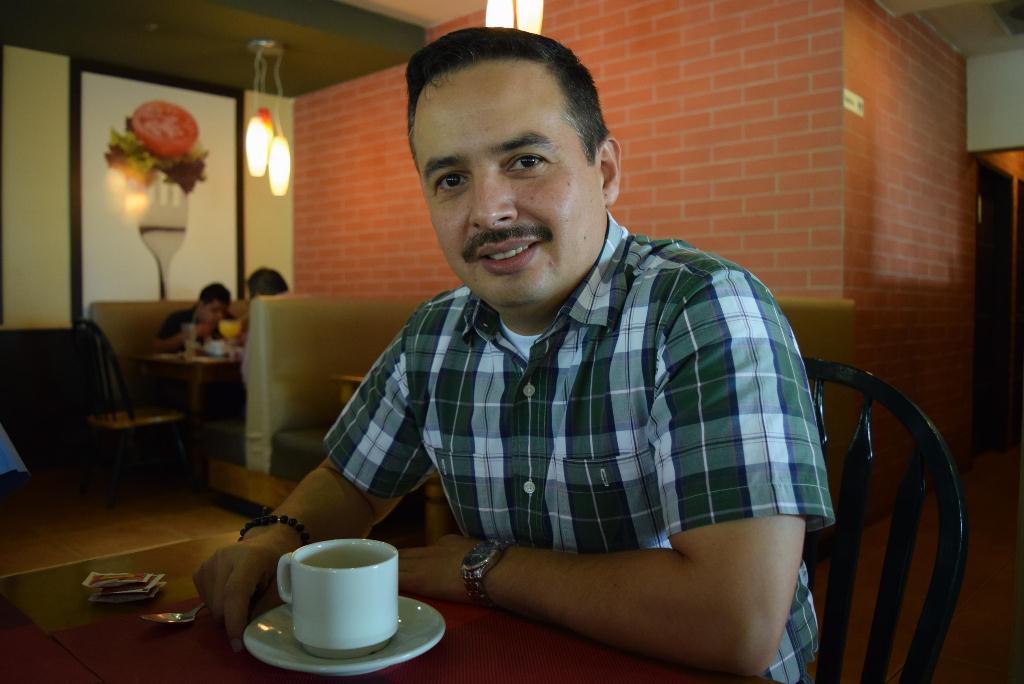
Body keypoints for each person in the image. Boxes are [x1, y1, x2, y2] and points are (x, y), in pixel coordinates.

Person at [193, 28, 833, 682]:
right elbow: (350, 481)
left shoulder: (702, 309)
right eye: (451, 178)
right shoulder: (434, 334)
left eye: (526, 161)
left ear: (606, 172)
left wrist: (478, 568)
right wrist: (276, 538)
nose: (489, 211)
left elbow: (734, 620)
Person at [152, 282, 232, 353]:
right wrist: (190, 334)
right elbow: (157, 347)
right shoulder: (179, 318)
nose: (220, 316)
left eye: (224, 312)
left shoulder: (228, 322)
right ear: (200, 305)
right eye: (214, 310)